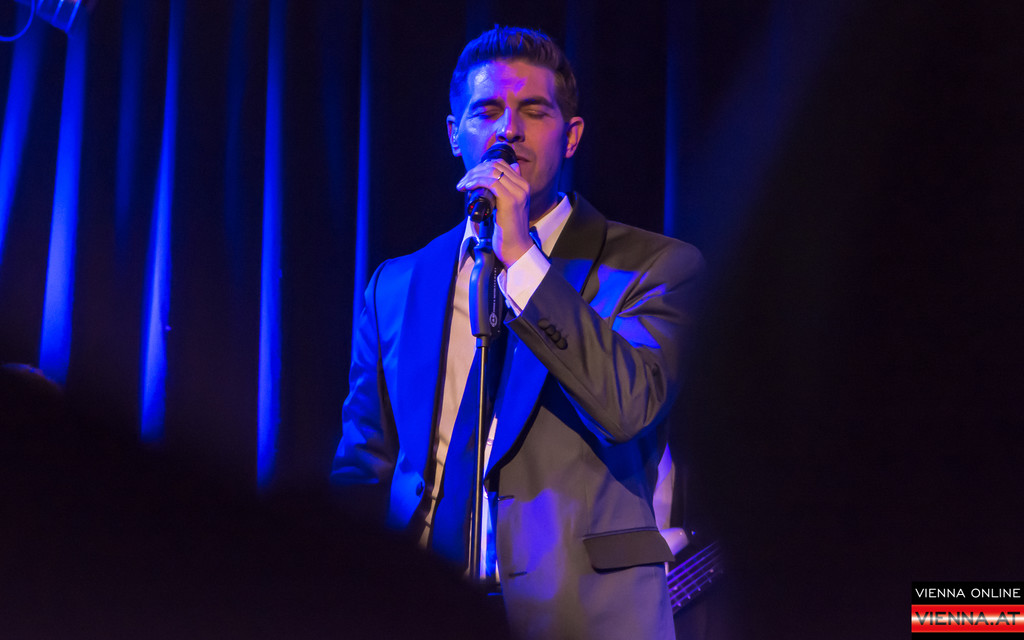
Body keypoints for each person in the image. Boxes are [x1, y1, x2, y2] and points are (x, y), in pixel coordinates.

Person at [331, 26, 704, 639]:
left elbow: (630, 405)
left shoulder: (654, 267)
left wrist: (521, 259)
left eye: (533, 111)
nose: (508, 130)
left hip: (582, 618)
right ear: (455, 135)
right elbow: (364, 463)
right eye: (486, 111)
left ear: (571, 135)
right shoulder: (395, 285)